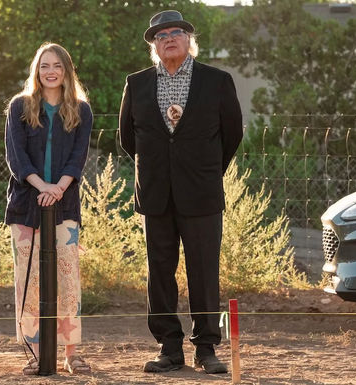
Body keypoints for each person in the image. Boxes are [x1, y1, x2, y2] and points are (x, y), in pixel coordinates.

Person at [118, 10, 243, 375]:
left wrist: (203, 170)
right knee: (159, 272)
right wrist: (159, 168)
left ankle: (206, 349)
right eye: (160, 35)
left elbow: (232, 134)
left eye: (176, 32)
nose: (168, 38)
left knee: (204, 272)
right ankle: (168, 348)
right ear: (154, 46)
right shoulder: (136, 83)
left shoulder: (217, 81)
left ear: (189, 40)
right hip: (155, 193)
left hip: (202, 193)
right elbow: (128, 139)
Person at [4, 42, 94, 375]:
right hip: (26, 204)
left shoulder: (81, 110)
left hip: (65, 204)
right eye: (44, 66)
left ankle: (72, 353)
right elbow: (16, 157)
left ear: (67, 71)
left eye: (57, 65)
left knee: (68, 278)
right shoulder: (19, 107)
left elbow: (78, 157)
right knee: (28, 282)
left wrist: (58, 189)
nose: (51, 71)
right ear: (36, 71)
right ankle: (35, 352)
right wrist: (42, 187)